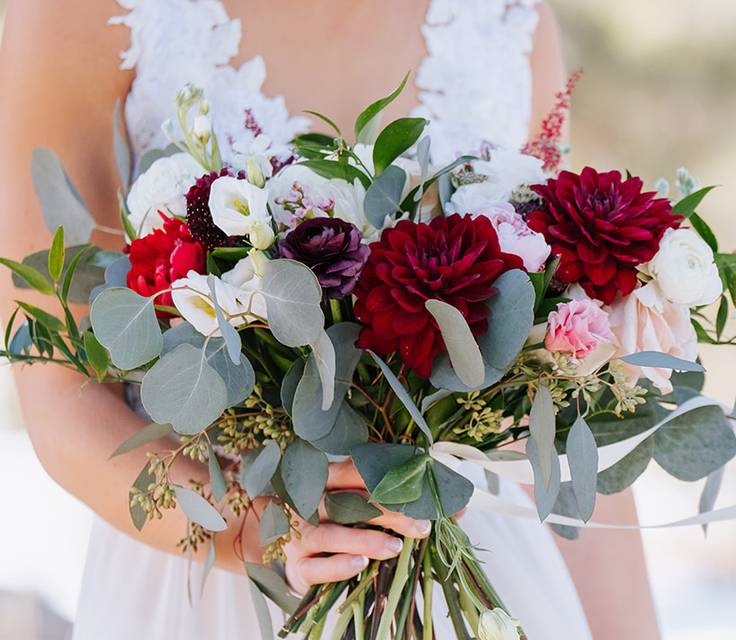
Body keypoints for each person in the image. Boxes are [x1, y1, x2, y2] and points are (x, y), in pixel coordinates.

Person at [0, 1, 659, 637]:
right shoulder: (85, 8)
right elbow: (61, 390)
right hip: (213, 575)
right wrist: (256, 528)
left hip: (479, 562)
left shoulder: (508, 19)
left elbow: (556, 398)